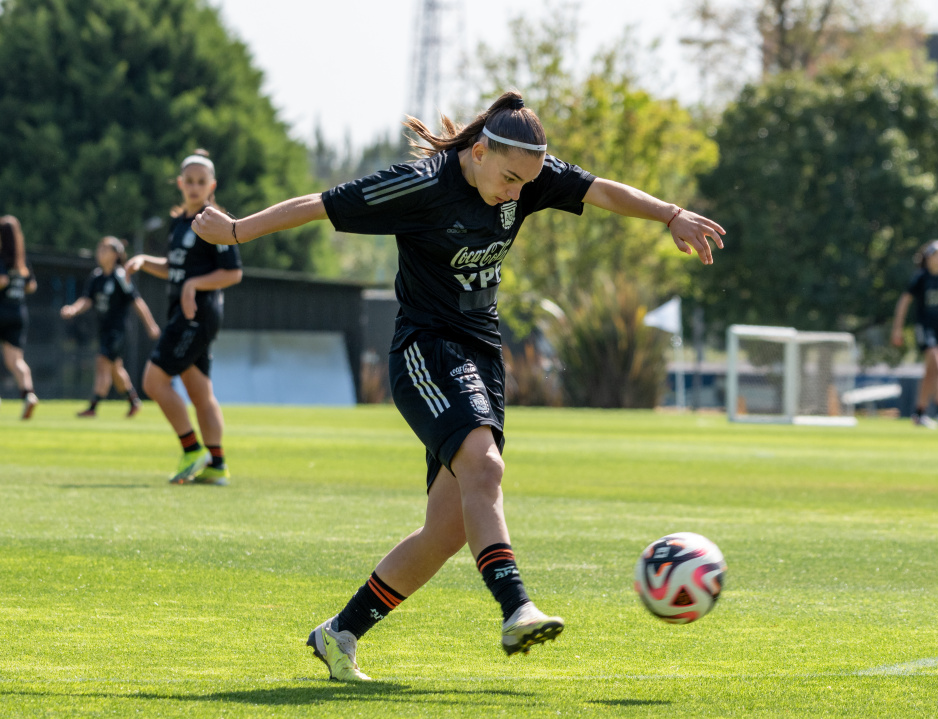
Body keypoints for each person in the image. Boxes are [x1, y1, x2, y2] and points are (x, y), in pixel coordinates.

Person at [192, 91, 725, 681]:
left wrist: (671, 215)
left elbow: (600, 190)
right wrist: (237, 231)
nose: (518, 193)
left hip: (480, 355)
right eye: (509, 179)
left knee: (447, 529)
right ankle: (515, 605)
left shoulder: (527, 175)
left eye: (527, 182)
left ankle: (338, 633)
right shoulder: (418, 185)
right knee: (485, 467)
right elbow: (320, 204)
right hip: (425, 349)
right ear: (476, 153)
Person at [125, 151, 243, 484]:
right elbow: (174, 269)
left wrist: (194, 284)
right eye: (188, 181)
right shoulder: (179, 223)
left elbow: (232, 273)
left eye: (200, 182)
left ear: (212, 185)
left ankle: (192, 449)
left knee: (153, 381)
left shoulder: (215, 220)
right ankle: (217, 465)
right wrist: (143, 261)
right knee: (200, 393)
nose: (194, 187)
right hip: (183, 313)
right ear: (180, 184)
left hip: (197, 316)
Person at [60, 236, 161, 417]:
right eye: (99, 249)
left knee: (102, 363)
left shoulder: (121, 276)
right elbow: (87, 299)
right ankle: (133, 401)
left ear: (116, 254)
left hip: (117, 331)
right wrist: (73, 309)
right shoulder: (97, 276)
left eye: (105, 250)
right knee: (115, 369)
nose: (100, 253)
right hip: (104, 329)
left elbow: (136, 301)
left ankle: (92, 408)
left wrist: (150, 324)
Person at [891, 239, 938, 427]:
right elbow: (904, 302)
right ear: (929, 257)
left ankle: (919, 412)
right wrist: (897, 329)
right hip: (924, 327)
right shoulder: (921, 277)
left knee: (932, 371)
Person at [0, 215, 39, 419]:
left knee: (10, 360)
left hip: (2, 310)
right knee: (15, 361)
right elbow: (31, 286)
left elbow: (2, 280)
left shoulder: (1, 257)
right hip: (18, 312)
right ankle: (28, 394)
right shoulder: (21, 261)